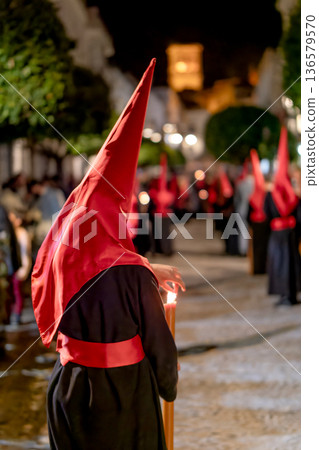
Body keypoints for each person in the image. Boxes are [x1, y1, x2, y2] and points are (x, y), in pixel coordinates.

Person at [32, 59, 184, 450]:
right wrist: (167, 388)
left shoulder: (60, 251)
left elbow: (91, 264)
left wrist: (146, 266)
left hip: (68, 388)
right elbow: (160, 347)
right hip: (123, 396)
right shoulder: (132, 275)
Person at [264, 127, 300, 306]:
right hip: (291, 232)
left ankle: (284, 295)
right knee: (291, 263)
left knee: (279, 264)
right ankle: (291, 294)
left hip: (278, 233)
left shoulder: (271, 194)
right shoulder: (295, 195)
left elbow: (267, 213)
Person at [8, 210, 32, 324]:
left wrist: (24, 267)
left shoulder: (22, 233)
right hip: (12, 267)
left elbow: (25, 252)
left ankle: (17, 315)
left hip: (20, 267)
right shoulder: (11, 233)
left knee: (17, 292)